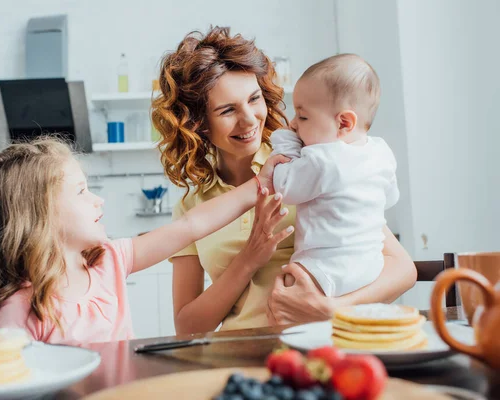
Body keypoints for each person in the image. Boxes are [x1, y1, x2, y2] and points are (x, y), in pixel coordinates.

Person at [151, 26, 416, 334]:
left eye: (254, 99)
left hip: (321, 344)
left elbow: (403, 269)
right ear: (199, 124)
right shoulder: (193, 208)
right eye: (227, 110)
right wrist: (249, 258)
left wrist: (333, 309)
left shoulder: (312, 161)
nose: (249, 119)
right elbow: (187, 326)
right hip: (240, 352)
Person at [0, 136, 286, 345]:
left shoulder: (108, 261)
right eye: (81, 191)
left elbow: (191, 225)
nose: (99, 200)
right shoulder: (21, 310)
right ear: (39, 215)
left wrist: (260, 183)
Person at [270, 53, 399, 298]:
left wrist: (285, 142)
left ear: (343, 123)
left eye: (303, 116)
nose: (294, 123)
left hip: (324, 268)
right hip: (371, 266)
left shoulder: (323, 159)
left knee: (285, 292)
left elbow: (284, 187)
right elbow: (390, 198)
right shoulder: (381, 151)